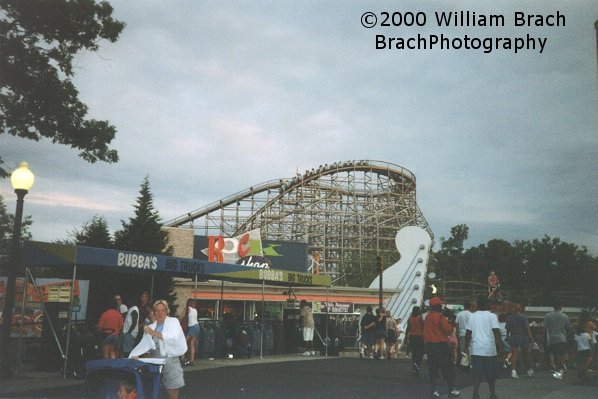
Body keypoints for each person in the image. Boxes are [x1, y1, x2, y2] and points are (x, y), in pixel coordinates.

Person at [130, 300, 187, 399]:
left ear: (167, 312)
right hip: (154, 366)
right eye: (156, 310)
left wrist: (153, 333)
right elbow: (145, 347)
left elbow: (173, 337)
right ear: (153, 312)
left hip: (171, 364)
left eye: (162, 310)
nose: (159, 313)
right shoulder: (151, 327)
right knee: (153, 394)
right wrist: (137, 355)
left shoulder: (173, 322)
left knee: (171, 396)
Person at [464, 296, 503, 399]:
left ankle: (475, 393)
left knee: (477, 373)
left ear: (478, 305)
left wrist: (465, 346)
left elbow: (468, 333)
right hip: (489, 350)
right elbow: (497, 332)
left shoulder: (472, 316)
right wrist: (501, 347)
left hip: (476, 349)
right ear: (488, 305)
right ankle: (492, 394)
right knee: (491, 374)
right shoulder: (492, 316)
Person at [423, 297, 460, 398]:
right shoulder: (441, 317)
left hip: (430, 346)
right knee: (447, 368)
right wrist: (451, 322)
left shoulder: (427, 317)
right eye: (441, 305)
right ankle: (451, 389)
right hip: (441, 346)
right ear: (438, 306)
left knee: (433, 368)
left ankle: (434, 390)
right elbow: (448, 331)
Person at [505, 304, 534, 378]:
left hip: (513, 337)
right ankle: (528, 370)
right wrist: (531, 339)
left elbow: (507, 329)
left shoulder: (509, 317)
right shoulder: (523, 317)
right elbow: (527, 329)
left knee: (514, 354)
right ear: (520, 309)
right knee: (525, 354)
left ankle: (513, 371)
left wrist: (507, 337)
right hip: (523, 337)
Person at [543, 304, 571, 379]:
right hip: (562, 337)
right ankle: (560, 367)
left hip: (551, 338)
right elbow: (568, 327)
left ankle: (553, 365)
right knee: (561, 353)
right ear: (561, 307)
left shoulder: (548, 315)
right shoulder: (564, 316)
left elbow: (544, 327)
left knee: (552, 352)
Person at [405, 305, 425, 374]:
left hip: (412, 336)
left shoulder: (410, 318)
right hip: (419, 336)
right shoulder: (420, 318)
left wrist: (405, 337)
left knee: (414, 351)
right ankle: (417, 363)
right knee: (421, 351)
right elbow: (423, 326)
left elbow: (408, 328)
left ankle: (414, 364)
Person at [180, 299, 199, 366]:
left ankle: (183, 358)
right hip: (197, 326)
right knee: (192, 344)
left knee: (183, 342)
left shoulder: (188, 308)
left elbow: (182, 316)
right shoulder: (195, 310)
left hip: (192, 327)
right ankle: (192, 360)